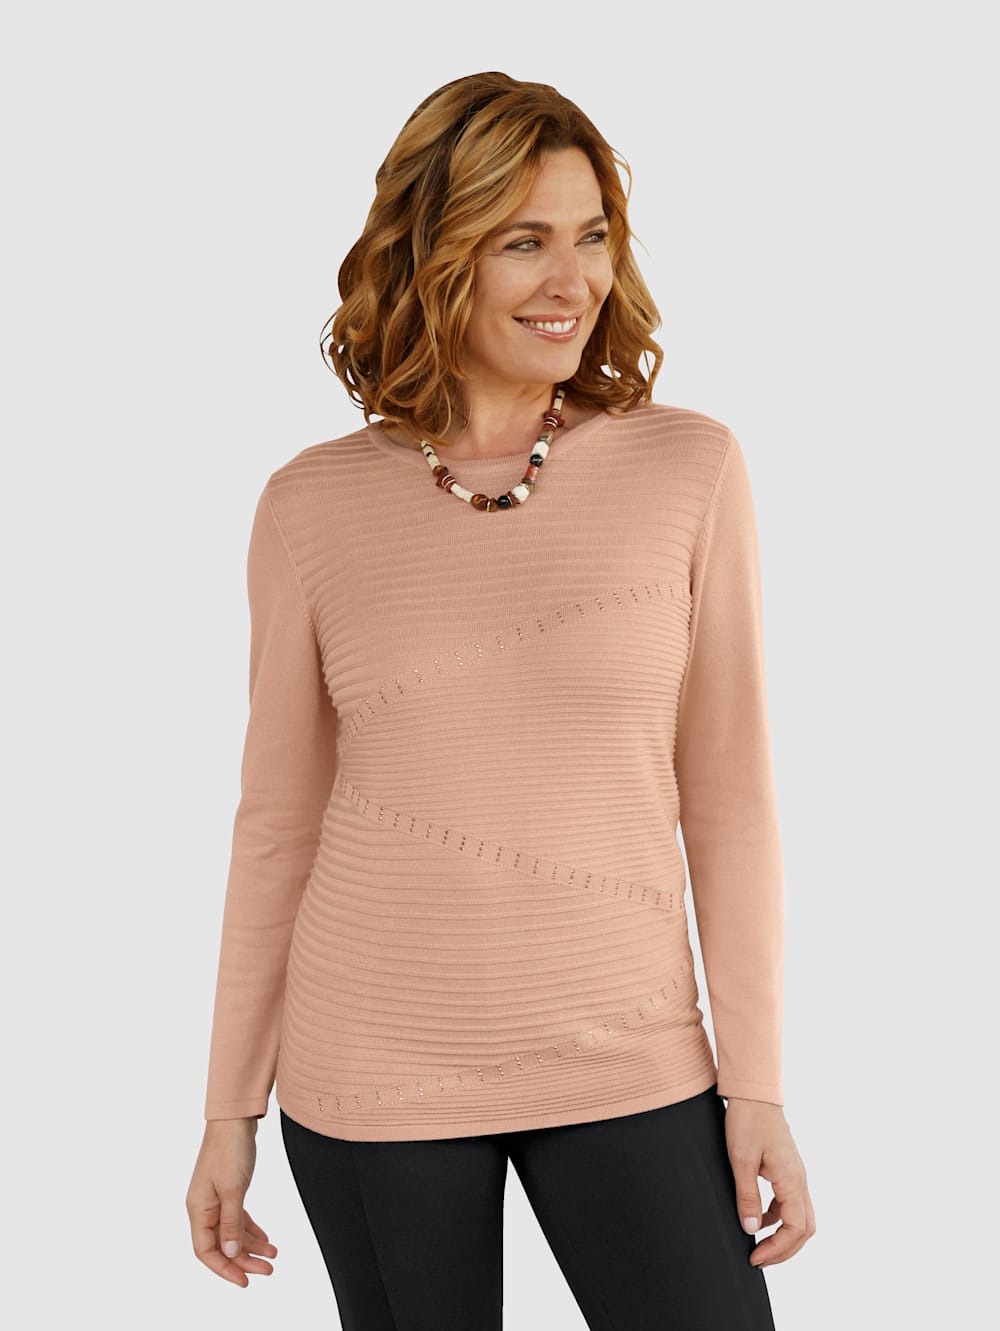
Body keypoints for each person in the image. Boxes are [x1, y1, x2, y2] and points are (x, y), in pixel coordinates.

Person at [186, 70, 816, 1329]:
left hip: (629, 1056)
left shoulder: (687, 468)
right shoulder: (309, 503)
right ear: (434, 255)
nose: (570, 279)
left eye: (592, 235)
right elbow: (278, 823)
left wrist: (754, 1084)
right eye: (523, 240)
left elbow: (730, 798)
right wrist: (227, 1106)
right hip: (369, 1071)